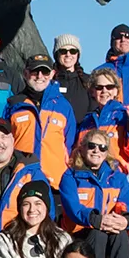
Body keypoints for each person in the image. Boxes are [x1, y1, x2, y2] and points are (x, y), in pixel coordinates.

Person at [59, 130, 129, 258]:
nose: (96, 151)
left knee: (120, 234)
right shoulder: (71, 176)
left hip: (109, 229)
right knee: (97, 233)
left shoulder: (117, 177)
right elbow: (73, 208)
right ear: (82, 148)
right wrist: (96, 219)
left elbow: (126, 204)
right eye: (92, 146)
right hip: (80, 231)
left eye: (102, 147)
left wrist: (125, 220)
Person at [6, 52, 77, 184]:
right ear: (26, 73)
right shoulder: (14, 104)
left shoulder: (63, 106)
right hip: (21, 179)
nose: (40, 76)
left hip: (55, 181)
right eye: (35, 71)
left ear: (52, 74)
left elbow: (70, 145)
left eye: (44, 72)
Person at [79, 69, 129, 168]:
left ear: (116, 91)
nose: (104, 91)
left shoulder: (125, 117)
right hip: (91, 177)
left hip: (117, 176)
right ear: (93, 92)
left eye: (109, 87)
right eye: (99, 87)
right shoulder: (87, 121)